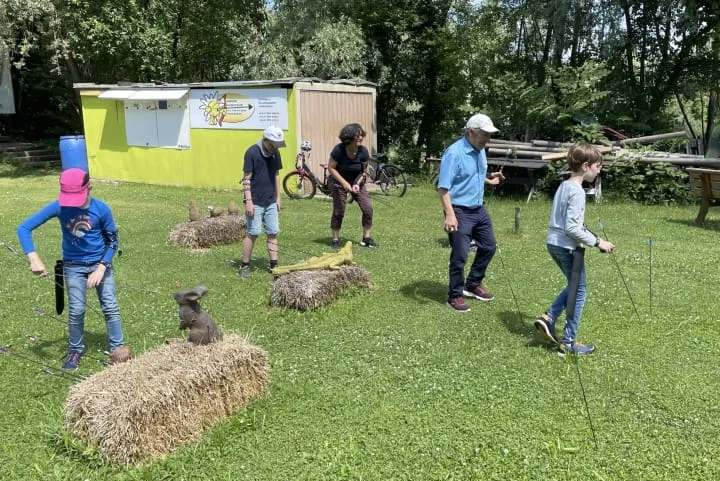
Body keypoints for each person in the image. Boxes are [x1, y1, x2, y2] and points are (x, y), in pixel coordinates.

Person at [16, 168, 129, 370]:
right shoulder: (60, 206)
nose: (73, 202)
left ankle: (118, 350)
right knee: (77, 310)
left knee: (110, 307)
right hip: (73, 267)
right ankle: (75, 350)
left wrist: (101, 268)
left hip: (101, 264)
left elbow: (113, 242)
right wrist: (33, 258)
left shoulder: (102, 209)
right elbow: (23, 228)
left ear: (89, 187)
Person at [533, 143, 615, 355]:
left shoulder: (564, 185)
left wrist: (593, 237)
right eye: (598, 166)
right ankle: (568, 342)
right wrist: (598, 242)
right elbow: (571, 228)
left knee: (574, 285)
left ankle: (548, 318)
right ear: (586, 166)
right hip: (566, 246)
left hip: (553, 242)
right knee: (579, 290)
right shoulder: (577, 192)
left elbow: (570, 223)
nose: (599, 171)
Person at [437, 113, 505, 312]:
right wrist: (450, 215)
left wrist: (489, 177)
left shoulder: (479, 149)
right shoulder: (454, 153)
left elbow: (474, 173)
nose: (488, 139)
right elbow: (443, 188)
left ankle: (473, 284)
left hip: (478, 209)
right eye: (484, 134)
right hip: (459, 210)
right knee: (460, 255)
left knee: (489, 246)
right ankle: (454, 296)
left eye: (489, 135)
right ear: (470, 132)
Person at [238, 125, 284, 278]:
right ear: (266, 140)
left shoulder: (275, 153)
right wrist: (249, 201)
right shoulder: (252, 152)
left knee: (273, 232)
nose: (275, 147)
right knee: (253, 233)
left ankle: (274, 266)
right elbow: (246, 179)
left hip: (271, 201)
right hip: (255, 201)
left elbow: (276, 175)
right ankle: (244, 265)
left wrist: (278, 198)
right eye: (273, 144)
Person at [328, 123, 377, 249]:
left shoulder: (363, 151)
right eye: (357, 135)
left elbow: (364, 171)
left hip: (356, 181)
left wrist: (357, 184)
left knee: (368, 208)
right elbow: (331, 168)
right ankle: (335, 240)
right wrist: (344, 183)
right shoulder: (338, 150)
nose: (360, 138)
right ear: (348, 137)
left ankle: (366, 238)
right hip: (338, 181)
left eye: (361, 135)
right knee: (339, 211)